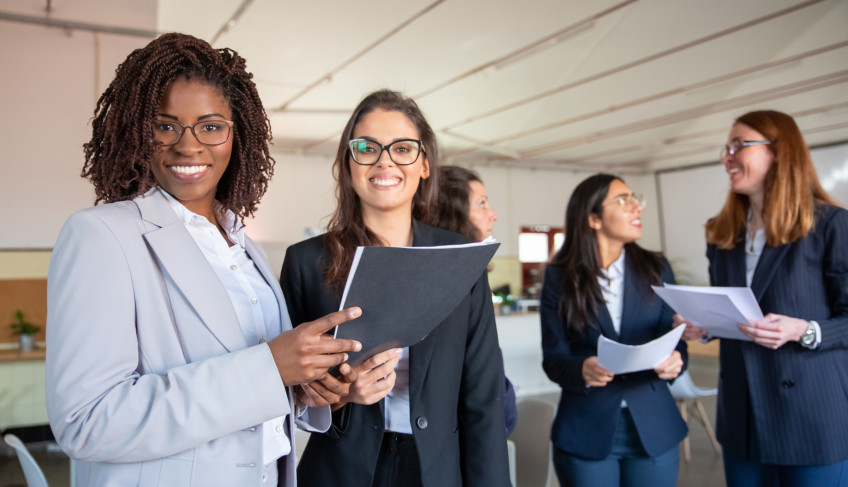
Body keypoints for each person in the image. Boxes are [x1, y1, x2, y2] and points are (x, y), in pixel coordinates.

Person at [45, 33, 363, 487]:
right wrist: (268, 368)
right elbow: (86, 421)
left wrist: (303, 390)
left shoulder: (241, 244)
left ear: (238, 134)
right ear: (139, 130)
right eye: (166, 125)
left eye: (211, 126)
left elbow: (260, 394)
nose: (188, 146)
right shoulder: (102, 235)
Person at [279, 89, 510, 487]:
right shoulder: (306, 262)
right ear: (348, 163)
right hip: (340, 469)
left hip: (436, 468)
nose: (384, 160)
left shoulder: (460, 259)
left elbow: (483, 397)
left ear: (424, 165)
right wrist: (340, 396)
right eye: (367, 147)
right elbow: (284, 395)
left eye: (402, 148)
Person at [680, 110, 848, 487]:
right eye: (726, 147)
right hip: (742, 416)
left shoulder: (832, 225)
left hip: (811, 417)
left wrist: (804, 330)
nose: (727, 156)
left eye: (740, 145)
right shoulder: (721, 234)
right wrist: (703, 325)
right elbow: (732, 311)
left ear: (780, 152)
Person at [540, 173, 688, 487]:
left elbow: (675, 342)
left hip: (654, 428)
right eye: (623, 200)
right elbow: (553, 359)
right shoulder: (559, 277)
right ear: (593, 218)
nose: (637, 207)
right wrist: (582, 368)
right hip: (585, 428)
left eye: (636, 199)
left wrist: (677, 360)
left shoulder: (657, 268)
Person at [433, 165, 517, 436]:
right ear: (453, 215)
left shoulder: (471, 277)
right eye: (481, 204)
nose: (493, 215)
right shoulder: (445, 286)